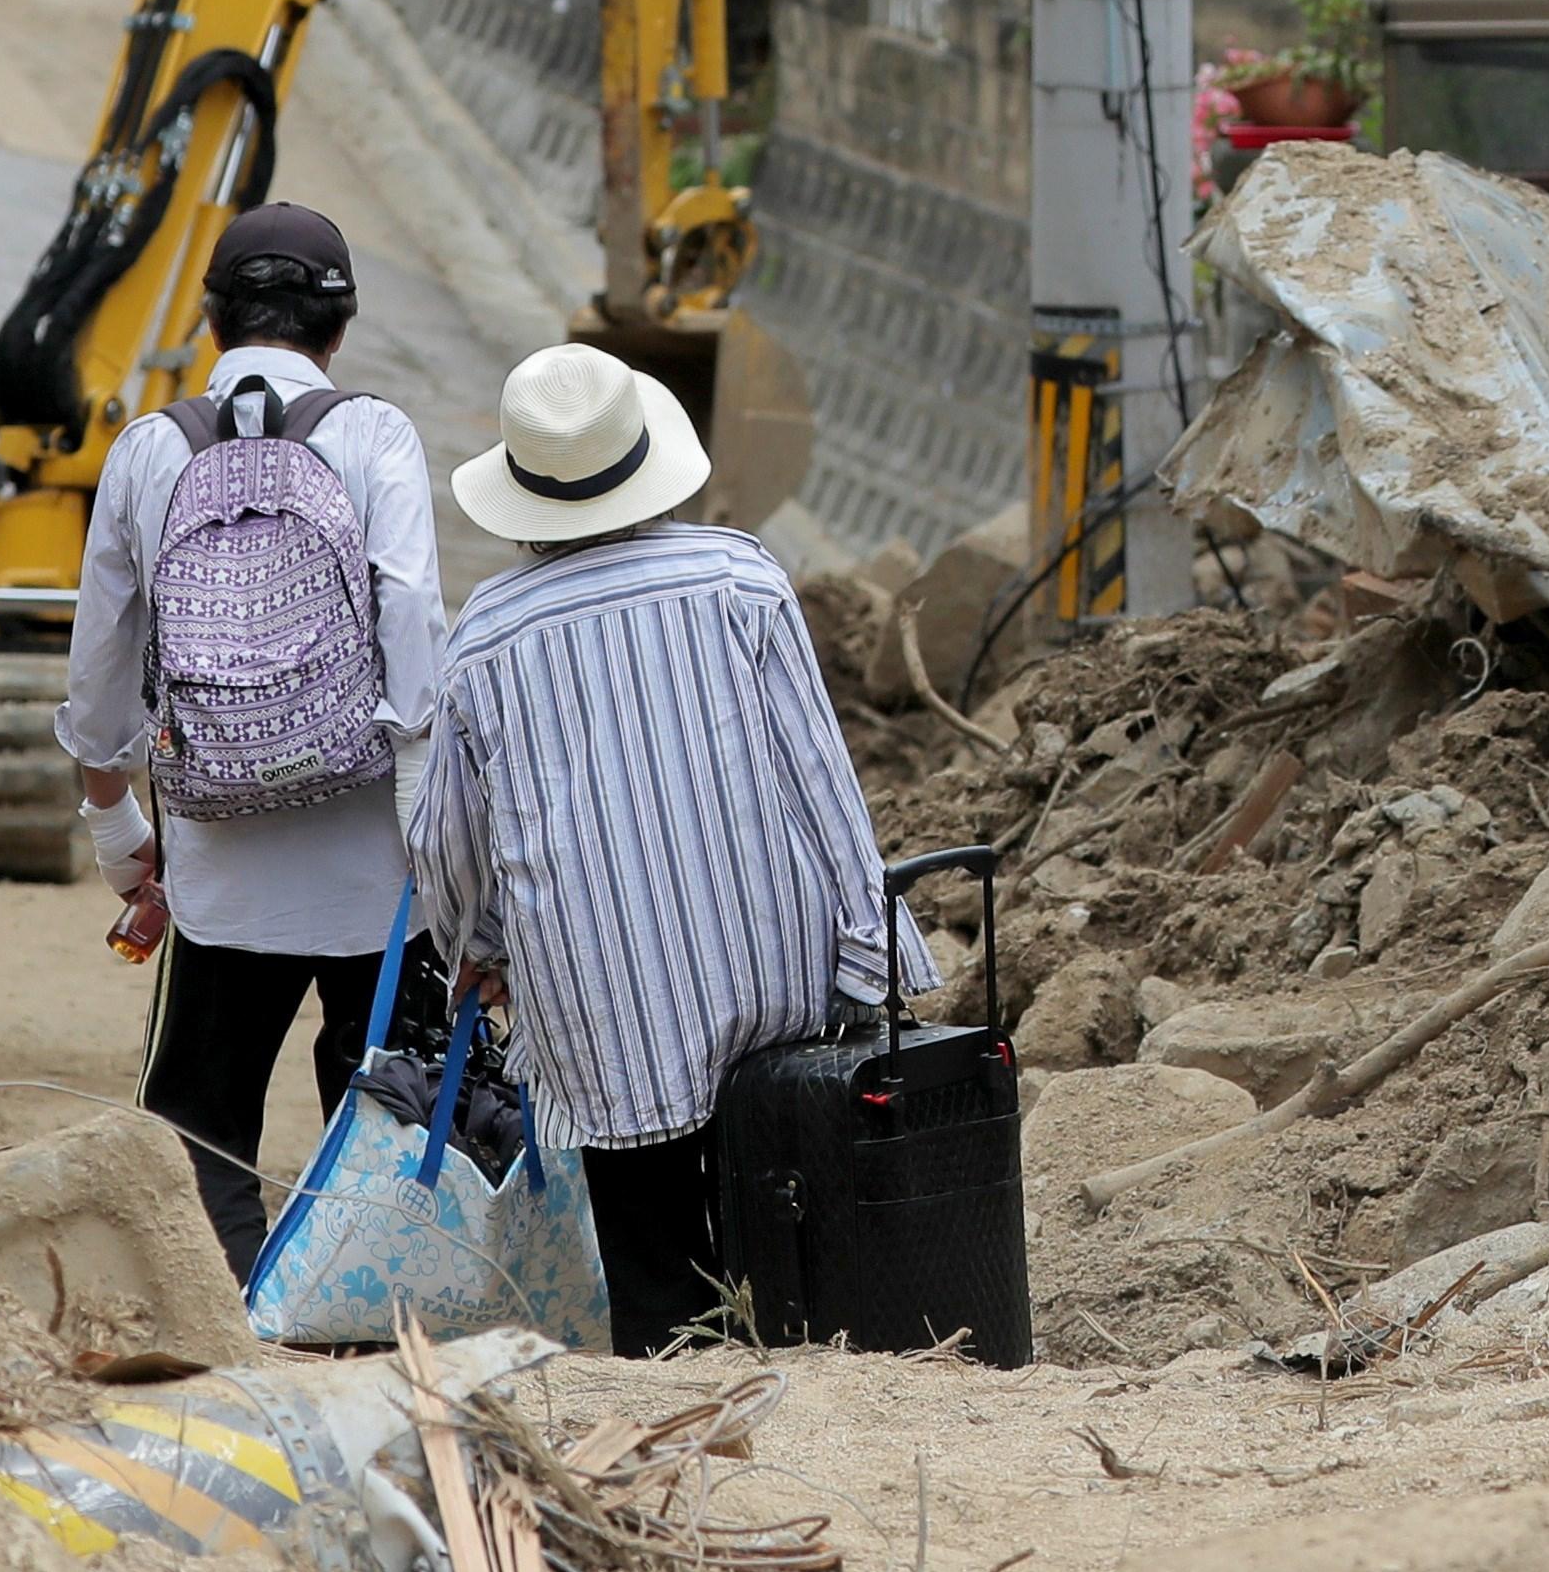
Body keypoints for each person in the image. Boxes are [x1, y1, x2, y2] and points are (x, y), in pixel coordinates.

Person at [407, 341, 926, 1356]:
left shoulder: (490, 636)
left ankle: (682, 1421)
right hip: (771, 981)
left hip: (603, 1002)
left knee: (653, 1275)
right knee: (779, 1230)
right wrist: (872, 945)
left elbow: (448, 844)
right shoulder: (742, 579)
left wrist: (481, 953)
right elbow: (823, 782)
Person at [61, 204, 447, 1279]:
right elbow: (412, 618)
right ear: (341, 323)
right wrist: (424, 812)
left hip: (217, 857)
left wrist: (112, 823)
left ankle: (227, 1316)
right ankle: (364, 1314)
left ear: (214, 319)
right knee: (388, 1103)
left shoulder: (147, 449)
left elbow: (100, 665)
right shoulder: (373, 435)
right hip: (374, 856)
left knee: (198, 1116)